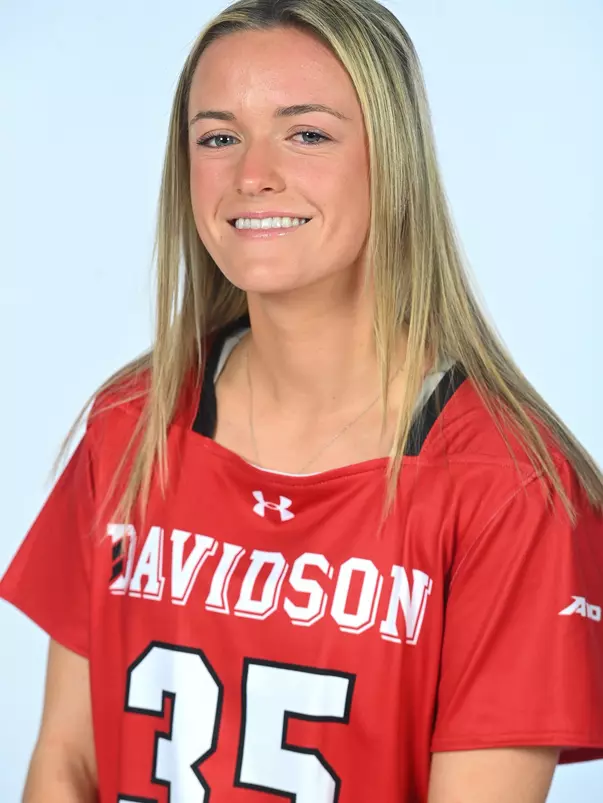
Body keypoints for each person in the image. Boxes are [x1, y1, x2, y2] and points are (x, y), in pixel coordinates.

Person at [2, 0, 602, 801]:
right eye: (218, 137)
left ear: (391, 162)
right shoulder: (133, 423)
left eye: (306, 133)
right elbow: (65, 762)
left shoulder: (510, 487)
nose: (252, 174)